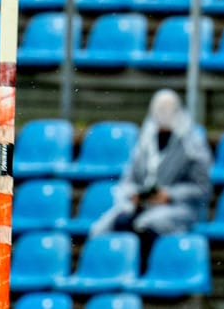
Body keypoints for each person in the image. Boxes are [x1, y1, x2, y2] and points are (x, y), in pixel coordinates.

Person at [91, 89, 212, 256]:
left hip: (177, 208)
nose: (163, 114)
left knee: (146, 227)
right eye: (159, 109)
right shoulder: (144, 141)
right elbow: (127, 180)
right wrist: (135, 194)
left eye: (167, 109)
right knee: (114, 224)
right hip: (141, 204)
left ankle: (145, 273)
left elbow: (202, 189)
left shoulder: (192, 145)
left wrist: (168, 195)